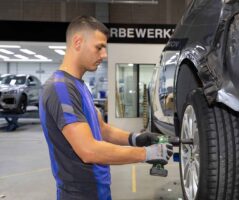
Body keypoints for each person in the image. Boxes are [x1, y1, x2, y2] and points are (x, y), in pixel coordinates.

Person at [39, 15, 173, 200]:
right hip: (80, 195)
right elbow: (89, 150)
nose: (104, 55)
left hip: (98, 189)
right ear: (77, 42)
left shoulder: (79, 86)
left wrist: (136, 138)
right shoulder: (60, 88)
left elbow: (102, 129)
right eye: (99, 47)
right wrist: (146, 153)